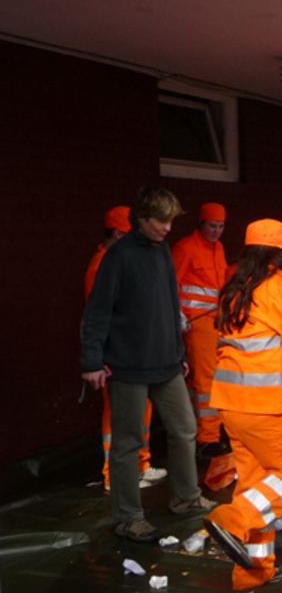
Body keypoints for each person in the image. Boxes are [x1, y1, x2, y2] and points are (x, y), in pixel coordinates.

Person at [80, 187, 214, 542]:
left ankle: (186, 499)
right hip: (127, 367)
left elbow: (171, 307)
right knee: (128, 442)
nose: (168, 227)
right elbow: (97, 312)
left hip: (166, 363)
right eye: (161, 220)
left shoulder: (162, 252)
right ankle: (127, 517)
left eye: (171, 220)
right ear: (141, 218)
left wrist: (179, 353)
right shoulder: (118, 257)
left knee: (185, 429)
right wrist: (92, 360)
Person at [202, 219, 282, 590]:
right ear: (281, 254)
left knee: (255, 482)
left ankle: (252, 571)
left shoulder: (237, 289)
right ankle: (232, 520)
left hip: (231, 405)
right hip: (268, 404)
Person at [85, 206, 165, 490]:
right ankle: (115, 476)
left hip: (134, 354)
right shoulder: (103, 266)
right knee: (119, 415)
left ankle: (140, 465)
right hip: (118, 356)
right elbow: (100, 316)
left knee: (139, 412)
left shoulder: (115, 261)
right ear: (120, 233)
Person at [172, 202, 229, 458]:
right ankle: (208, 439)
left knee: (206, 381)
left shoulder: (218, 249)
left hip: (214, 323)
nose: (216, 231)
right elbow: (169, 285)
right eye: (212, 226)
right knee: (205, 381)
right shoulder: (185, 249)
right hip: (196, 325)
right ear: (201, 224)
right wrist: (177, 316)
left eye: (221, 226)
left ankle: (207, 432)